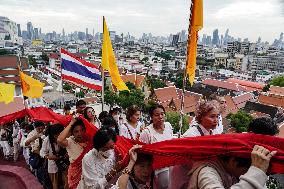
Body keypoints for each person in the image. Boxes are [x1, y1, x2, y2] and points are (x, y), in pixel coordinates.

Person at [187, 145, 277, 189]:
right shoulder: (206, 171)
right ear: (233, 161)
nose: (247, 174)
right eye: (247, 170)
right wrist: (256, 172)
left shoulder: (229, 172)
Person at [139, 104, 174, 189]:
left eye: (162, 114)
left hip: (172, 166)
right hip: (158, 170)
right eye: (157, 115)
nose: (160, 117)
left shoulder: (168, 126)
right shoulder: (147, 132)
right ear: (151, 117)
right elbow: (142, 154)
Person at [57, 115, 92, 189]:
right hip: (75, 174)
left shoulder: (91, 141)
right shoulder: (70, 141)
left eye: (82, 130)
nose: (80, 133)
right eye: (76, 131)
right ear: (72, 133)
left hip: (90, 173)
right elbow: (59, 140)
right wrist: (71, 123)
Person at [40, 124, 69, 189]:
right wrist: (48, 157)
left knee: (66, 179)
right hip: (52, 161)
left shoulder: (66, 136)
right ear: (52, 134)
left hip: (64, 160)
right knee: (54, 180)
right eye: (56, 135)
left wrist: (68, 153)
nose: (58, 136)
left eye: (60, 134)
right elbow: (42, 152)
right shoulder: (47, 140)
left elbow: (70, 146)